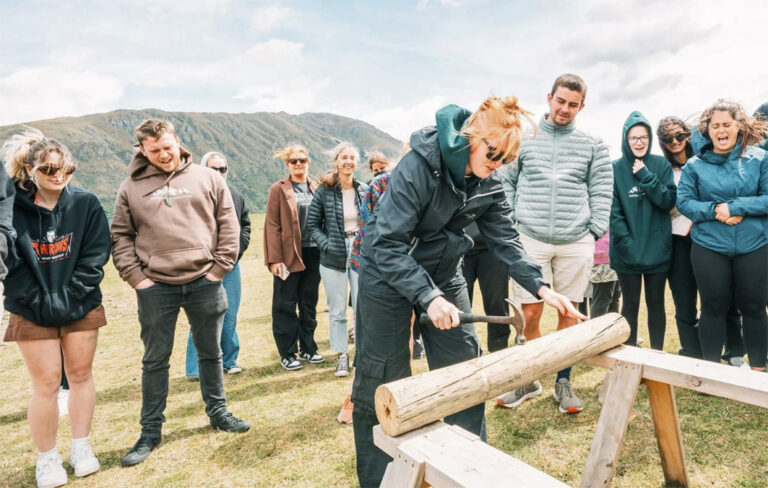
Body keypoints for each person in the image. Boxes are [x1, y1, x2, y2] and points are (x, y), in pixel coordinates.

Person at [351, 96, 585, 487]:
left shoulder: (489, 183)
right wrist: (427, 297)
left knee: (464, 372)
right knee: (382, 378)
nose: (496, 164)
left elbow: (506, 240)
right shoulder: (419, 166)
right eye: (493, 153)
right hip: (387, 276)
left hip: (445, 272)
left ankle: (468, 473)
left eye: (505, 159)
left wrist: (542, 287)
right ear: (472, 138)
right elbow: (387, 244)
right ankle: (380, 479)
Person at [111, 119, 250, 468]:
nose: (163, 155)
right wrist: (137, 279)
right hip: (156, 287)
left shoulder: (208, 178)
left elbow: (228, 225)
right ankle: (150, 431)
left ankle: (218, 413)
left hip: (205, 280)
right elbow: (121, 236)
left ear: (178, 143)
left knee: (211, 352)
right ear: (143, 150)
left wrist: (218, 269)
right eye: (155, 150)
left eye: (168, 147)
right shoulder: (130, 187)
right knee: (155, 360)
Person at [2, 129, 110, 487]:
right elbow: (12, 262)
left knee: (80, 377)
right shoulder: (11, 208)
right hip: (30, 308)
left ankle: (81, 447)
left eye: (67, 168)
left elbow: (95, 255)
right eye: (49, 169)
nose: (58, 176)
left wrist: (71, 295)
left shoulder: (86, 203)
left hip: (81, 305)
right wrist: (41, 300)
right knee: (46, 383)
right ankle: (47, 459)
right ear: (30, 169)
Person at [499, 74, 611, 413]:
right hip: (530, 238)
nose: (565, 109)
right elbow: (506, 182)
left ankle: (563, 382)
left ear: (582, 106)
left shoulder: (593, 144)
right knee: (528, 312)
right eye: (560, 101)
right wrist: (512, 226)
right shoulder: (524, 137)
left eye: (572, 104)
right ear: (549, 98)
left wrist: (592, 230)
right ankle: (529, 379)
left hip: (575, 240)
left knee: (569, 312)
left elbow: (602, 190)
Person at [677, 100, 768, 370]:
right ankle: (711, 370)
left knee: (753, 307)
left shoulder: (760, 159)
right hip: (710, 246)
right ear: (708, 131)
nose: (721, 130)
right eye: (715, 126)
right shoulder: (694, 165)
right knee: (713, 307)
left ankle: (759, 369)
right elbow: (684, 202)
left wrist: (736, 206)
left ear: (738, 126)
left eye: (726, 124)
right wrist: (716, 209)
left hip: (754, 245)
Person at [657, 117, 745, 362]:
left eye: (679, 135)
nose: (674, 142)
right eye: (667, 138)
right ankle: (693, 352)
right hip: (679, 240)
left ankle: (735, 351)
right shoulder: (662, 169)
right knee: (684, 298)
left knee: (723, 296)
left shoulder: (708, 160)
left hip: (712, 235)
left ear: (688, 135)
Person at [609, 111, 676, 350]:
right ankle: (630, 357)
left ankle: (656, 355)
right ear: (625, 140)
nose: (639, 143)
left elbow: (668, 201)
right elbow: (614, 213)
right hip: (626, 252)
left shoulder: (660, 165)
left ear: (649, 139)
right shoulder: (615, 168)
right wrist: (627, 244)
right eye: (633, 138)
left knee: (656, 303)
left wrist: (645, 176)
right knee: (629, 305)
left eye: (643, 137)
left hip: (657, 250)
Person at [185, 152, 251, 378]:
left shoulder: (236, 196)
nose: (218, 173)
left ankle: (229, 360)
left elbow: (245, 227)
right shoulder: (192, 196)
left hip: (231, 266)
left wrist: (234, 253)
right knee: (202, 316)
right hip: (202, 267)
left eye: (222, 169)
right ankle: (196, 369)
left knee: (230, 313)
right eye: (213, 169)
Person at [306, 142, 368, 378]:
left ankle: (362, 354)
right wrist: (328, 244)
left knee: (362, 305)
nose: (348, 162)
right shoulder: (324, 190)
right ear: (336, 161)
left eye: (352, 158)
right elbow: (312, 225)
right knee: (338, 309)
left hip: (360, 251)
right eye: (344, 158)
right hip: (333, 254)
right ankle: (342, 355)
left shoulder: (364, 189)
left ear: (357, 162)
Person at [264, 144, 323, 371]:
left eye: (303, 160)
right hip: (289, 254)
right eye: (294, 161)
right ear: (287, 164)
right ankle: (287, 353)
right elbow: (272, 225)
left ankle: (308, 347)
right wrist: (275, 259)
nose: (299, 164)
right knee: (285, 304)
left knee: (309, 302)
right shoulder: (278, 189)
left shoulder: (316, 188)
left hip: (314, 252)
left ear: (309, 162)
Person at [578, 231, 621, 319]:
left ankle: (613, 329)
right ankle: (596, 330)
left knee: (614, 299)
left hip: (617, 256)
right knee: (602, 301)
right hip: (602, 257)